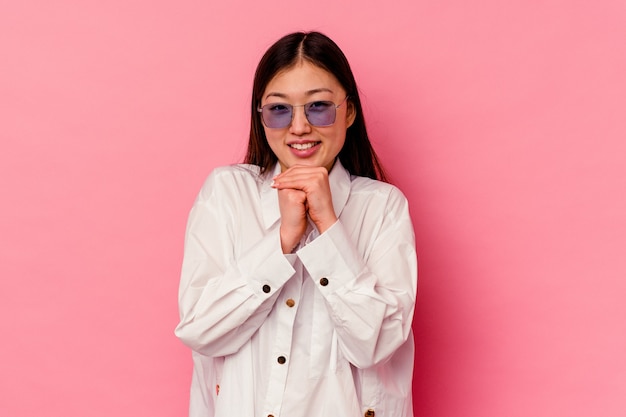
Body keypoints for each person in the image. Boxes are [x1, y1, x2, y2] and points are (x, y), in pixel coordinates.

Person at [175, 31, 417, 417]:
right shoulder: (227, 193)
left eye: (319, 106)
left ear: (349, 112)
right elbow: (200, 330)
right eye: (279, 109)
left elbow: (377, 345)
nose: (300, 127)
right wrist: (282, 241)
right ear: (261, 116)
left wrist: (328, 227)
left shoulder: (383, 207)